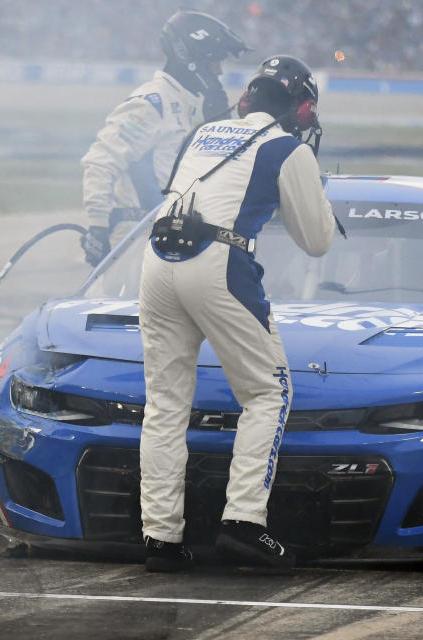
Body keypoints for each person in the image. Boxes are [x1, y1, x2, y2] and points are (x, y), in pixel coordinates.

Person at [137, 55, 335, 572]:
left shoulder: (205, 132)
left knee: (164, 403)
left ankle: (160, 537)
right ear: (301, 108)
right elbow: (316, 242)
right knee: (268, 393)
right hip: (219, 261)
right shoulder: (287, 147)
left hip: (157, 259)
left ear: (247, 99)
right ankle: (244, 523)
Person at [80, 10, 249, 266]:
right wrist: (98, 228)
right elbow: (101, 162)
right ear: (192, 58)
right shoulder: (153, 103)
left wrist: (220, 120)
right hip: (132, 241)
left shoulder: (182, 104)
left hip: (162, 238)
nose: (220, 71)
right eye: (215, 61)